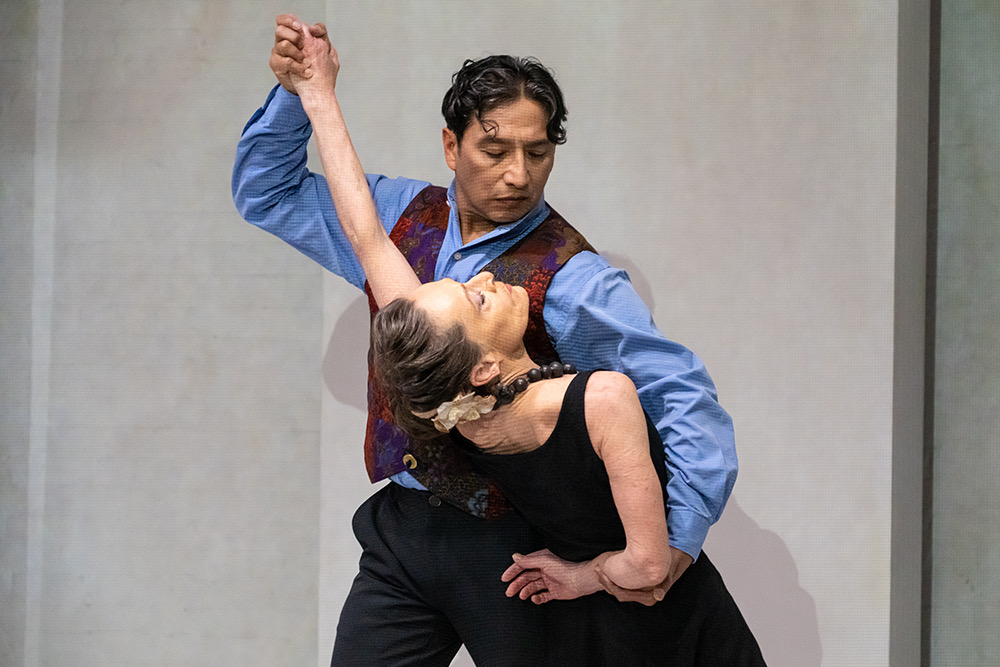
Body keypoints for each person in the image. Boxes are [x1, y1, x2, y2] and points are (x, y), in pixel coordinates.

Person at [233, 15, 741, 666]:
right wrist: (306, 91)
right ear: (453, 145)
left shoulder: (576, 282)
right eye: (495, 150)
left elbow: (680, 395)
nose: (518, 174)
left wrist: (676, 541)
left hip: (513, 542)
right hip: (405, 525)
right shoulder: (402, 220)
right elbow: (322, 214)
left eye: (538, 151)